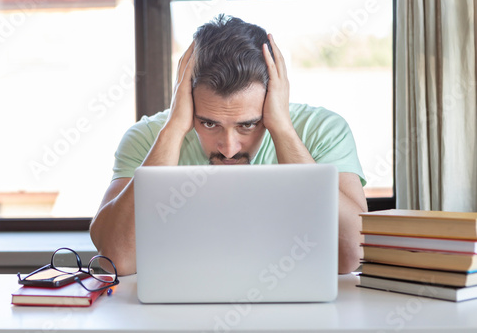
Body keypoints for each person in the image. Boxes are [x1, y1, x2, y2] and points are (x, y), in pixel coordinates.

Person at [90, 15, 368, 276]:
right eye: (209, 124)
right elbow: (116, 258)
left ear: (275, 98)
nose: (229, 148)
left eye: (247, 125)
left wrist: (282, 129)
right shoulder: (148, 138)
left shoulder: (323, 130)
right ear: (186, 100)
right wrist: (174, 129)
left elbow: (352, 254)